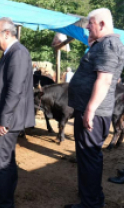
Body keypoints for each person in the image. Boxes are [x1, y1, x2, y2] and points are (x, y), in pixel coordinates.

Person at [66, 8, 124, 208]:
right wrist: (93, 45)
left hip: (94, 112)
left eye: (90, 23)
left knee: (89, 158)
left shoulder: (108, 45)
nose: (87, 27)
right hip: (92, 110)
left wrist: (90, 110)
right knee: (88, 157)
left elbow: (106, 79)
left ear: (102, 24)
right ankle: (92, 197)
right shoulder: (104, 44)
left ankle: (90, 203)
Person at [0, 17, 35, 208]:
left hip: (7, 120)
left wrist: (3, 120)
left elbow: (15, 90)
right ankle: (3, 200)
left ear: (6, 33)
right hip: (7, 117)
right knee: (6, 161)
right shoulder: (11, 53)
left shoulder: (18, 53)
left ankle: (4, 203)